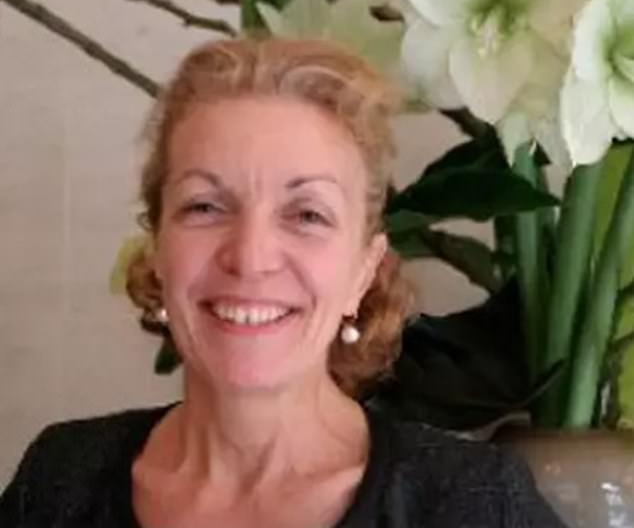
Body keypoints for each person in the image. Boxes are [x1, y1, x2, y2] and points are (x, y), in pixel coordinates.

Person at [0, 39, 567, 527]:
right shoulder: (60, 483)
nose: (251, 258)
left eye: (307, 215)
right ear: (157, 249)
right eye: (205, 206)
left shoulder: (472, 505)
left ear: (364, 270)